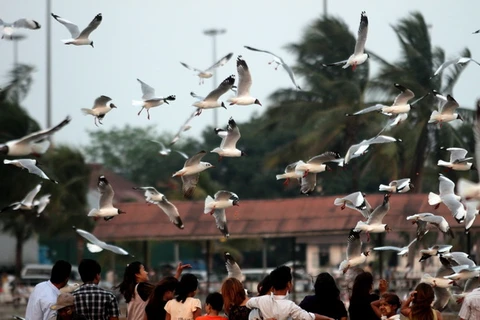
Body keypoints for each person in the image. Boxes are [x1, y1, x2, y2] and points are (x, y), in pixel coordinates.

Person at [246, 266, 334, 320]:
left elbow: (248, 303)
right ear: (288, 284)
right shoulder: (290, 306)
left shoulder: (262, 300)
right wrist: (328, 318)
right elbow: (309, 317)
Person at [118, 261, 191, 320]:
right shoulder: (141, 287)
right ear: (137, 274)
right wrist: (178, 274)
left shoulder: (132, 290)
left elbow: (164, 287)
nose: (146, 272)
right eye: (143, 270)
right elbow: (162, 288)